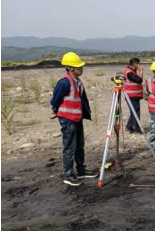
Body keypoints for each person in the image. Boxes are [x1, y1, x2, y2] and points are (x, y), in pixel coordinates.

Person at [50, 52, 99, 186]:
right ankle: (68, 174)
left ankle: (81, 170)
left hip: (77, 118)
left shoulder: (77, 81)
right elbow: (55, 100)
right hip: (68, 120)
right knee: (69, 148)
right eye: (79, 66)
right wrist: (56, 111)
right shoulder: (64, 82)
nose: (81, 68)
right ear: (70, 68)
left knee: (79, 146)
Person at [123, 58, 144, 133]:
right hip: (131, 95)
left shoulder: (131, 71)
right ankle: (137, 129)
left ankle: (129, 127)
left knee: (133, 111)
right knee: (136, 112)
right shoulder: (129, 72)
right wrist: (141, 71)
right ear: (135, 64)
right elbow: (139, 80)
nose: (139, 65)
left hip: (134, 95)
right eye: (138, 63)